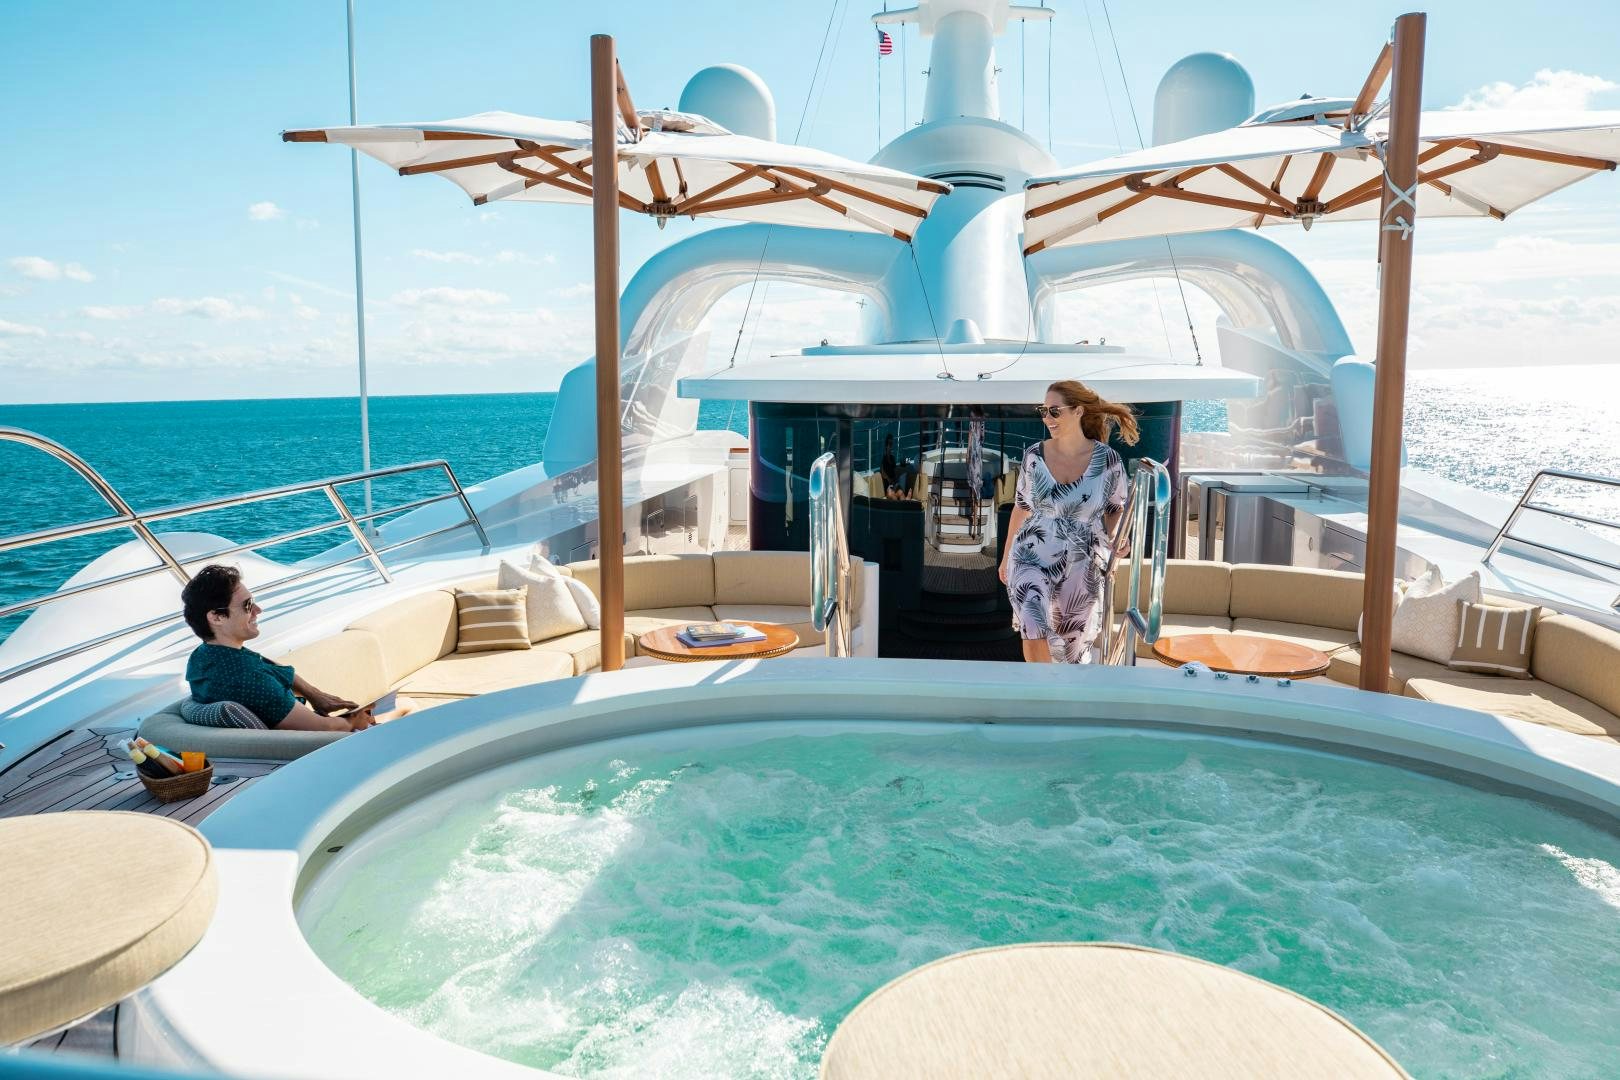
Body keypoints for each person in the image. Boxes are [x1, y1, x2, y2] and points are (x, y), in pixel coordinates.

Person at [998, 380, 1138, 664]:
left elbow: (1115, 509)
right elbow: (1021, 507)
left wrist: (1118, 539)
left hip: (1081, 562)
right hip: (1030, 556)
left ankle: (1060, 696)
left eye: (1054, 411)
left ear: (1078, 411)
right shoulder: (1034, 456)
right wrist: (1004, 559)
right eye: (1043, 411)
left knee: (1070, 649)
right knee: (1032, 622)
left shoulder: (1108, 460)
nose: (1046, 418)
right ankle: (1041, 699)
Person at [180, 564, 405, 731]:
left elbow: (266, 665)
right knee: (405, 706)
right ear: (217, 617)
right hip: (324, 748)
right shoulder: (249, 680)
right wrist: (354, 720)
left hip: (306, 728)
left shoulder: (205, 657)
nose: (258, 610)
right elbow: (321, 728)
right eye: (247, 605)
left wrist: (314, 694)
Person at [880, 435, 915, 499]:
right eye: (889, 444)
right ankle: (906, 500)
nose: (890, 447)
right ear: (886, 446)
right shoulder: (883, 459)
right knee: (891, 494)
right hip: (887, 486)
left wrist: (895, 482)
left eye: (891, 444)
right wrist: (890, 481)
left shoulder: (892, 458)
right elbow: (883, 474)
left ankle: (906, 501)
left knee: (900, 492)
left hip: (893, 484)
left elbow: (894, 471)